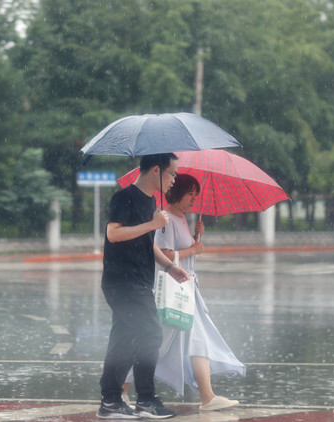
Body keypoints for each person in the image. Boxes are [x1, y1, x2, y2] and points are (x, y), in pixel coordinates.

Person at [122, 173, 245, 412]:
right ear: (177, 192)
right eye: (190, 193)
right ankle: (121, 389)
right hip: (172, 292)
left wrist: (196, 238)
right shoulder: (166, 220)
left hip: (186, 290)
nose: (194, 199)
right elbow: (165, 256)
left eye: (196, 194)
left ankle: (208, 397)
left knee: (197, 339)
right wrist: (194, 248)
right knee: (155, 343)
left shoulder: (182, 218)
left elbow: (182, 251)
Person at [97, 153, 190, 420]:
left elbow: (147, 242)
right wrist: (153, 223)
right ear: (156, 170)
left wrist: (170, 267)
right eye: (172, 174)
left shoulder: (150, 201)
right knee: (150, 334)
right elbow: (113, 233)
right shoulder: (124, 197)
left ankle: (111, 401)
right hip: (122, 281)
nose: (174, 180)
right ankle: (146, 400)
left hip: (137, 280)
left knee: (124, 340)